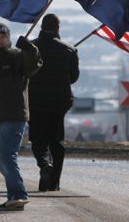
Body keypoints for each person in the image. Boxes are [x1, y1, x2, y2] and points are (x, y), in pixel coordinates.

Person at [0, 23, 42, 212]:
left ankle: (19, 195)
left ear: (9, 38)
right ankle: (13, 197)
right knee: (2, 159)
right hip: (1, 116)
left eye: (3, 35)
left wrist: (30, 47)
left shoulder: (17, 56)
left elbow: (33, 66)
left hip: (15, 114)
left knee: (7, 156)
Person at [28, 14, 80, 191]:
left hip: (35, 101)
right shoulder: (69, 50)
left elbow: (23, 73)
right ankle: (54, 181)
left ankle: (44, 165)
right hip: (59, 102)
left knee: (38, 138)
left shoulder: (30, 47)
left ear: (41, 27)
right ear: (58, 28)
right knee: (56, 140)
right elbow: (73, 77)